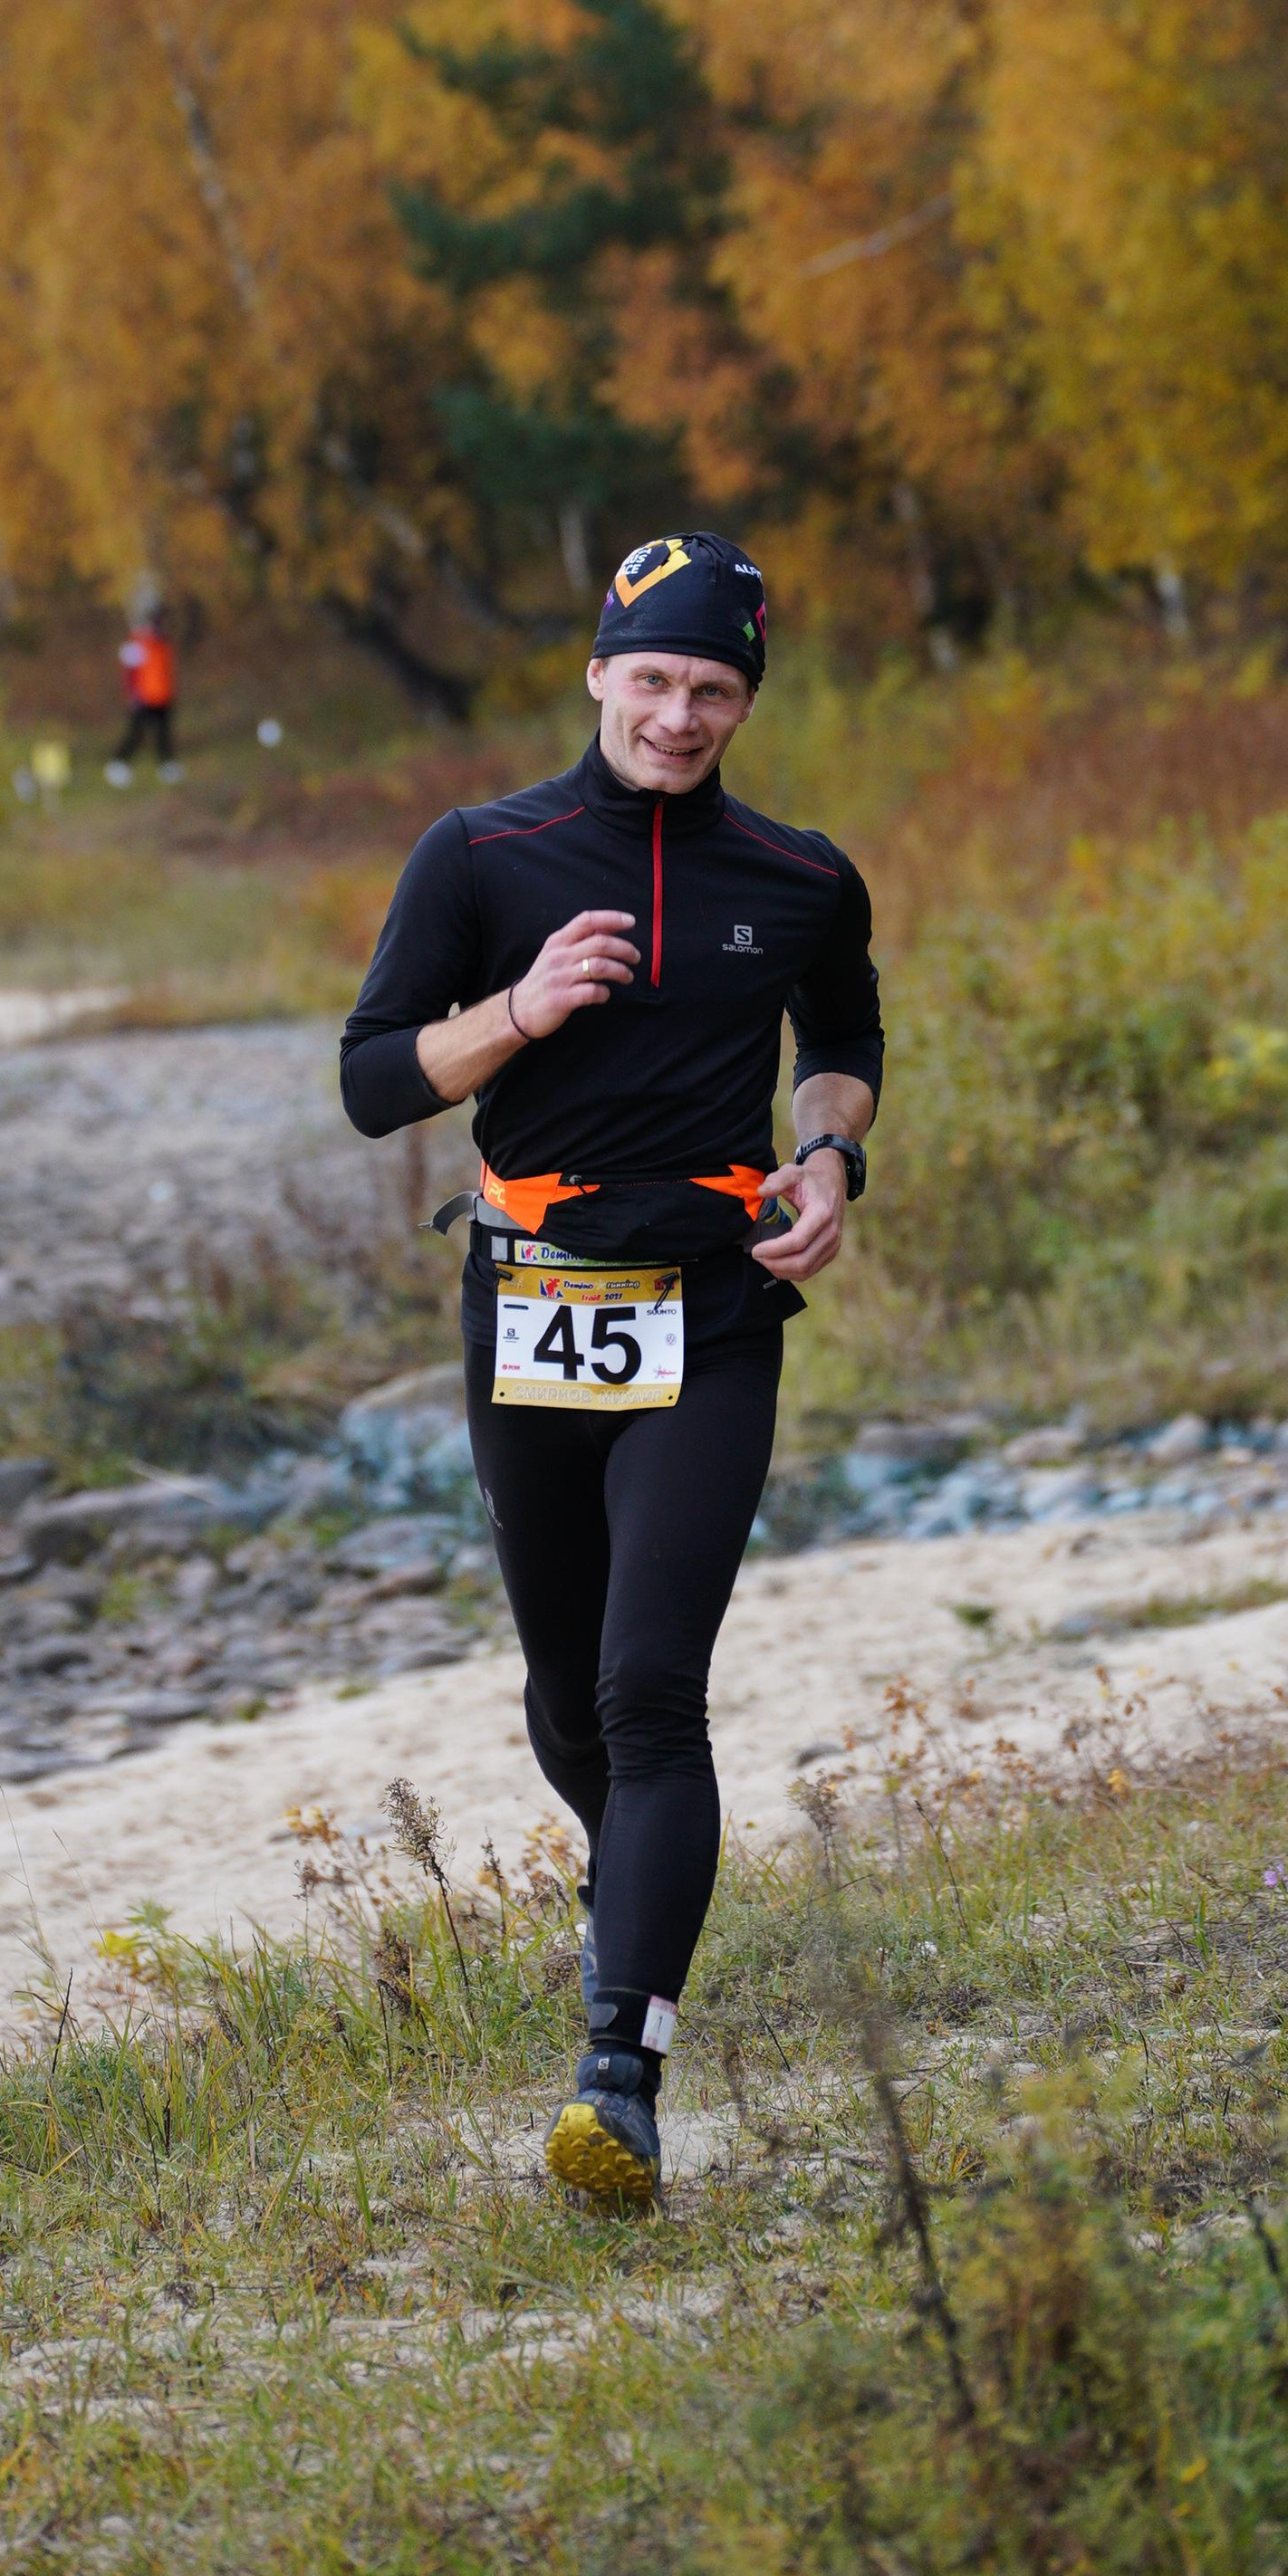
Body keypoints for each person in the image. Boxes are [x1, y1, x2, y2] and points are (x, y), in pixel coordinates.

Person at [340, 532, 881, 2207]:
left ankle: (619, 2076)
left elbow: (843, 1040)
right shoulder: (481, 854)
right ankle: (638, 1894)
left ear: (746, 702)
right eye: (652, 678)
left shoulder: (801, 876)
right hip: (530, 1304)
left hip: (711, 1312)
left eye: (712, 688)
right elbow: (373, 1080)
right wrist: (520, 1009)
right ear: (596, 674)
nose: (678, 715)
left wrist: (828, 1158)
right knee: (570, 1701)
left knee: (652, 1693)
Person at [107, 610, 178, 782]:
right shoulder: (135, 644)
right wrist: (133, 695)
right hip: (143, 698)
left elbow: (166, 672)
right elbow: (129, 673)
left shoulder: (163, 644)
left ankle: (167, 765)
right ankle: (118, 763)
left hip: (162, 696)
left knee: (163, 733)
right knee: (136, 733)